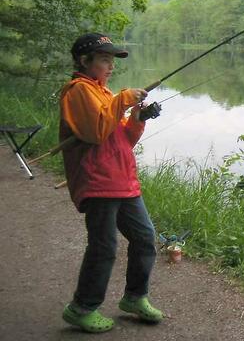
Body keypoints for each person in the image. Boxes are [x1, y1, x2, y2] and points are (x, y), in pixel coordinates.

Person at [59, 33, 163, 333]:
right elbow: (95, 133)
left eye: (112, 60)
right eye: (105, 59)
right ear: (84, 60)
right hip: (98, 182)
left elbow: (122, 141)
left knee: (145, 238)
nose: (111, 66)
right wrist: (123, 100)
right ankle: (82, 307)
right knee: (104, 247)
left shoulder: (104, 94)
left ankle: (134, 298)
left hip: (123, 181)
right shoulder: (78, 91)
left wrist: (139, 117)